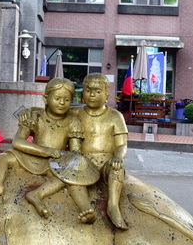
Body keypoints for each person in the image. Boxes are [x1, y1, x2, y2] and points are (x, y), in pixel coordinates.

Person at [25, 73, 129, 229]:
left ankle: (113, 206)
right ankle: (84, 207)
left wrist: (118, 157)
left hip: (106, 162)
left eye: (98, 91)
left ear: (107, 94)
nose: (92, 94)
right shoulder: (75, 113)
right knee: (72, 177)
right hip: (82, 161)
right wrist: (30, 111)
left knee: (117, 168)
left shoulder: (115, 116)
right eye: (88, 90)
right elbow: (51, 112)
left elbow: (122, 144)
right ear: (82, 93)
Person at [0, 78, 83, 217]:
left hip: (54, 162)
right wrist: (46, 151)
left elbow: (76, 152)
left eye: (67, 100)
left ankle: (37, 194)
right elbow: (17, 142)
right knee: (2, 158)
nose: (62, 103)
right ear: (46, 98)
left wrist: (66, 156)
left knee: (66, 176)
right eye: (57, 98)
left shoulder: (73, 121)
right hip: (32, 156)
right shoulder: (35, 116)